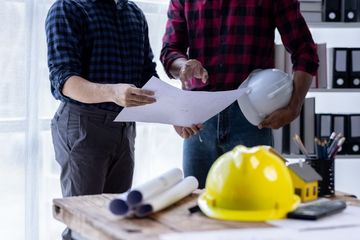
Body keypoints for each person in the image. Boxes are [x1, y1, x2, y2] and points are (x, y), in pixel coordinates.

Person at [160, 0, 319, 188]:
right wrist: (183, 66)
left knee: (256, 205)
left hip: (251, 117)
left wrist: (294, 106)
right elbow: (170, 51)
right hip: (198, 120)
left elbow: (305, 51)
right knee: (196, 206)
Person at [45, 0, 157, 238]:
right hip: (83, 126)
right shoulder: (68, 8)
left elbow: (147, 74)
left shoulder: (133, 12)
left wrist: (177, 114)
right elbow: (63, 81)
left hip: (125, 128)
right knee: (83, 224)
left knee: (117, 221)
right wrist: (112, 92)